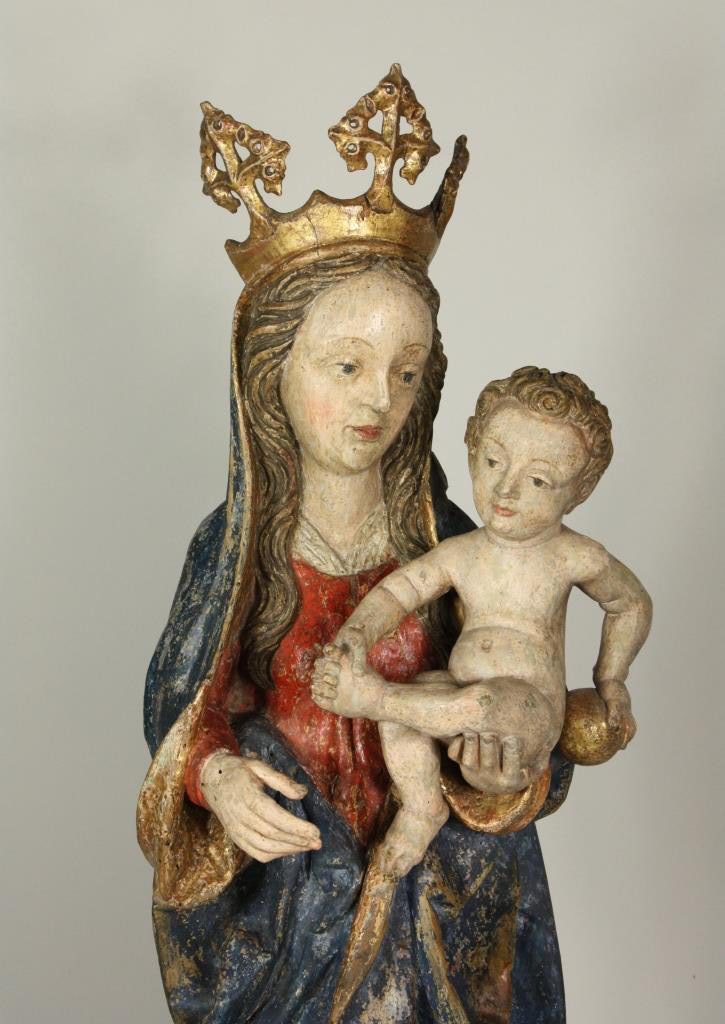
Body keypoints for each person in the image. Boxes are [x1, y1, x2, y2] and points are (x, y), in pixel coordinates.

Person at [138, 69, 574, 1024]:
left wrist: (511, 755)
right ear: (270, 373)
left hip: (443, 887)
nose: (378, 398)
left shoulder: (453, 544)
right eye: (346, 365)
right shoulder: (233, 551)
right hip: (291, 893)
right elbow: (182, 707)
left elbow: (531, 698)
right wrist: (218, 776)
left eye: (406, 372)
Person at [312, 367, 652, 878]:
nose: (506, 489)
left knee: (475, 702)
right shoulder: (462, 552)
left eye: (538, 481)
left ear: (577, 492)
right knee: (406, 714)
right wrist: (355, 636)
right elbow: (401, 591)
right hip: (458, 699)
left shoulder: (571, 555)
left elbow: (631, 603)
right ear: (471, 453)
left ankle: (370, 698)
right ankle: (422, 805)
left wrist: (611, 679)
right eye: (493, 461)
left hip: (524, 713)